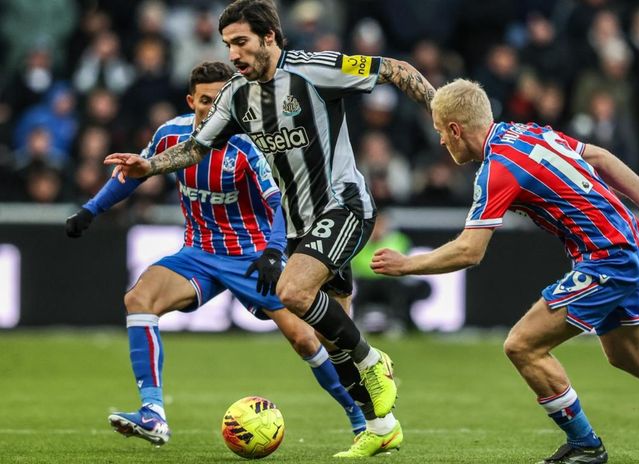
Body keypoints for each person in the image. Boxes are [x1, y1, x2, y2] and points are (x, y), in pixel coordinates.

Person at [104, 0, 437, 457]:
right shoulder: (236, 95)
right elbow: (197, 148)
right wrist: (150, 166)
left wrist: (442, 116)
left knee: (293, 292)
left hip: (343, 207)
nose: (233, 53)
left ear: (269, 37)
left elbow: (396, 70)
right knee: (329, 337)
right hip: (301, 226)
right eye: (227, 44)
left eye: (241, 42)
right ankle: (381, 427)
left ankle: (373, 360)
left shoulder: (315, 70)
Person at [66, 61, 366, 446]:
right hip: (199, 254)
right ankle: (153, 413)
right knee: (138, 299)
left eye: (223, 99)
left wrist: (274, 251)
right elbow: (135, 173)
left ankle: (362, 419)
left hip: (253, 257)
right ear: (191, 101)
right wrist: (90, 210)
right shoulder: (170, 135)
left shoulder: (247, 144)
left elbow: (277, 201)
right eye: (207, 100)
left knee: (306, 340)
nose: (214, 107)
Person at [371, 78, 639, 464]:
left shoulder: (497, 169)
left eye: (441, 132)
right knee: (630, 356)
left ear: (456, 129)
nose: (440, 141)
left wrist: (407, 265)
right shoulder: (526, 133)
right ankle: (584, 446)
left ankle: (585, 446)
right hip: (629, 242)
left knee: (523, 345)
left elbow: (469, 251)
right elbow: (601, 157)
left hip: (608, 258)